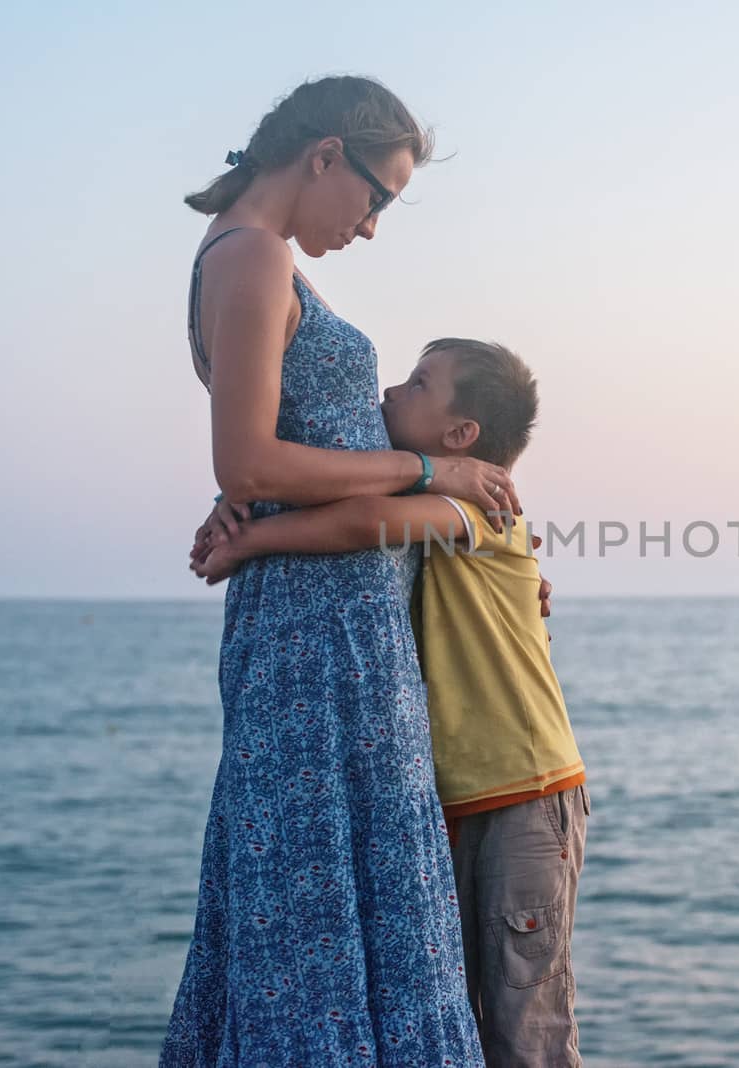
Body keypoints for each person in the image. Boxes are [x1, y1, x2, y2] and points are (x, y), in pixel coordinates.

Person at [161, 76, 516, 1067]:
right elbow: (250, 462)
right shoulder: (252, 254)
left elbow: (278, 458)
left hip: (340, 633)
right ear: (324, 156)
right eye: (376, 197)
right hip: (313, 643)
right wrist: (428, 467)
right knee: (315, 916)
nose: (369, 228)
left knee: (353, 908)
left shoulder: (255, 257)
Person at [191, 339, 590, 1067]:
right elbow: (339, 488)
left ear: (460, 438)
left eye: (418, 384)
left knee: (524, 1023)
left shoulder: (475, 507)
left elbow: (359, 521)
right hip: (466, 797)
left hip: (524, 796)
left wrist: (250, 540)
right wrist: (232, 498)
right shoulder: (441, 501)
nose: (393, 392)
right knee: (462, 1012)